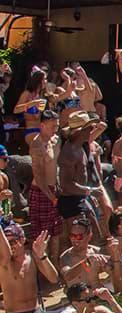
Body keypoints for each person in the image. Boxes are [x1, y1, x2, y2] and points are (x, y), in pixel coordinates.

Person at [0, 222, 59, 313]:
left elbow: (54, 278)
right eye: (6, 243)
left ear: (22, 239)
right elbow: (5, 253)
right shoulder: (5, 264)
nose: (9, 246)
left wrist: (42, 255)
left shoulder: (32, 256)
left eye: (12, 242)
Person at [27, 110, 61, 259]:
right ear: (42, 125)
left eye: (57, 126)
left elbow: (55, 166)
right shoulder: (36, 144)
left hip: (54, 189)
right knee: (42, 234)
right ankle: (42, 266)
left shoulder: (56, 140)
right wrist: (51, 196)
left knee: (56, 231)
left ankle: (55, 264)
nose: (55, 129)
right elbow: (39, 176)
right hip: (42, 191)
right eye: (52, 126)